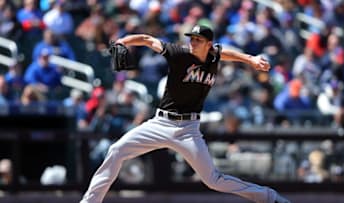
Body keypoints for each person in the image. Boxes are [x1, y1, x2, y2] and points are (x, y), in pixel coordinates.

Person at [80, 24, 290, 203]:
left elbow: (225, 52)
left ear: (208, 45)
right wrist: (123, 41)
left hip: (189, 130)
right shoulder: (178, 54)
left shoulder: (214, 55)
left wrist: (250, 59)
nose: (193, 42)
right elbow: (146, 39)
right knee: (117, 150)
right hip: (161, 124)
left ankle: (268, 197)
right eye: (192, 38)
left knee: (213, 180)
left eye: (198, 40)